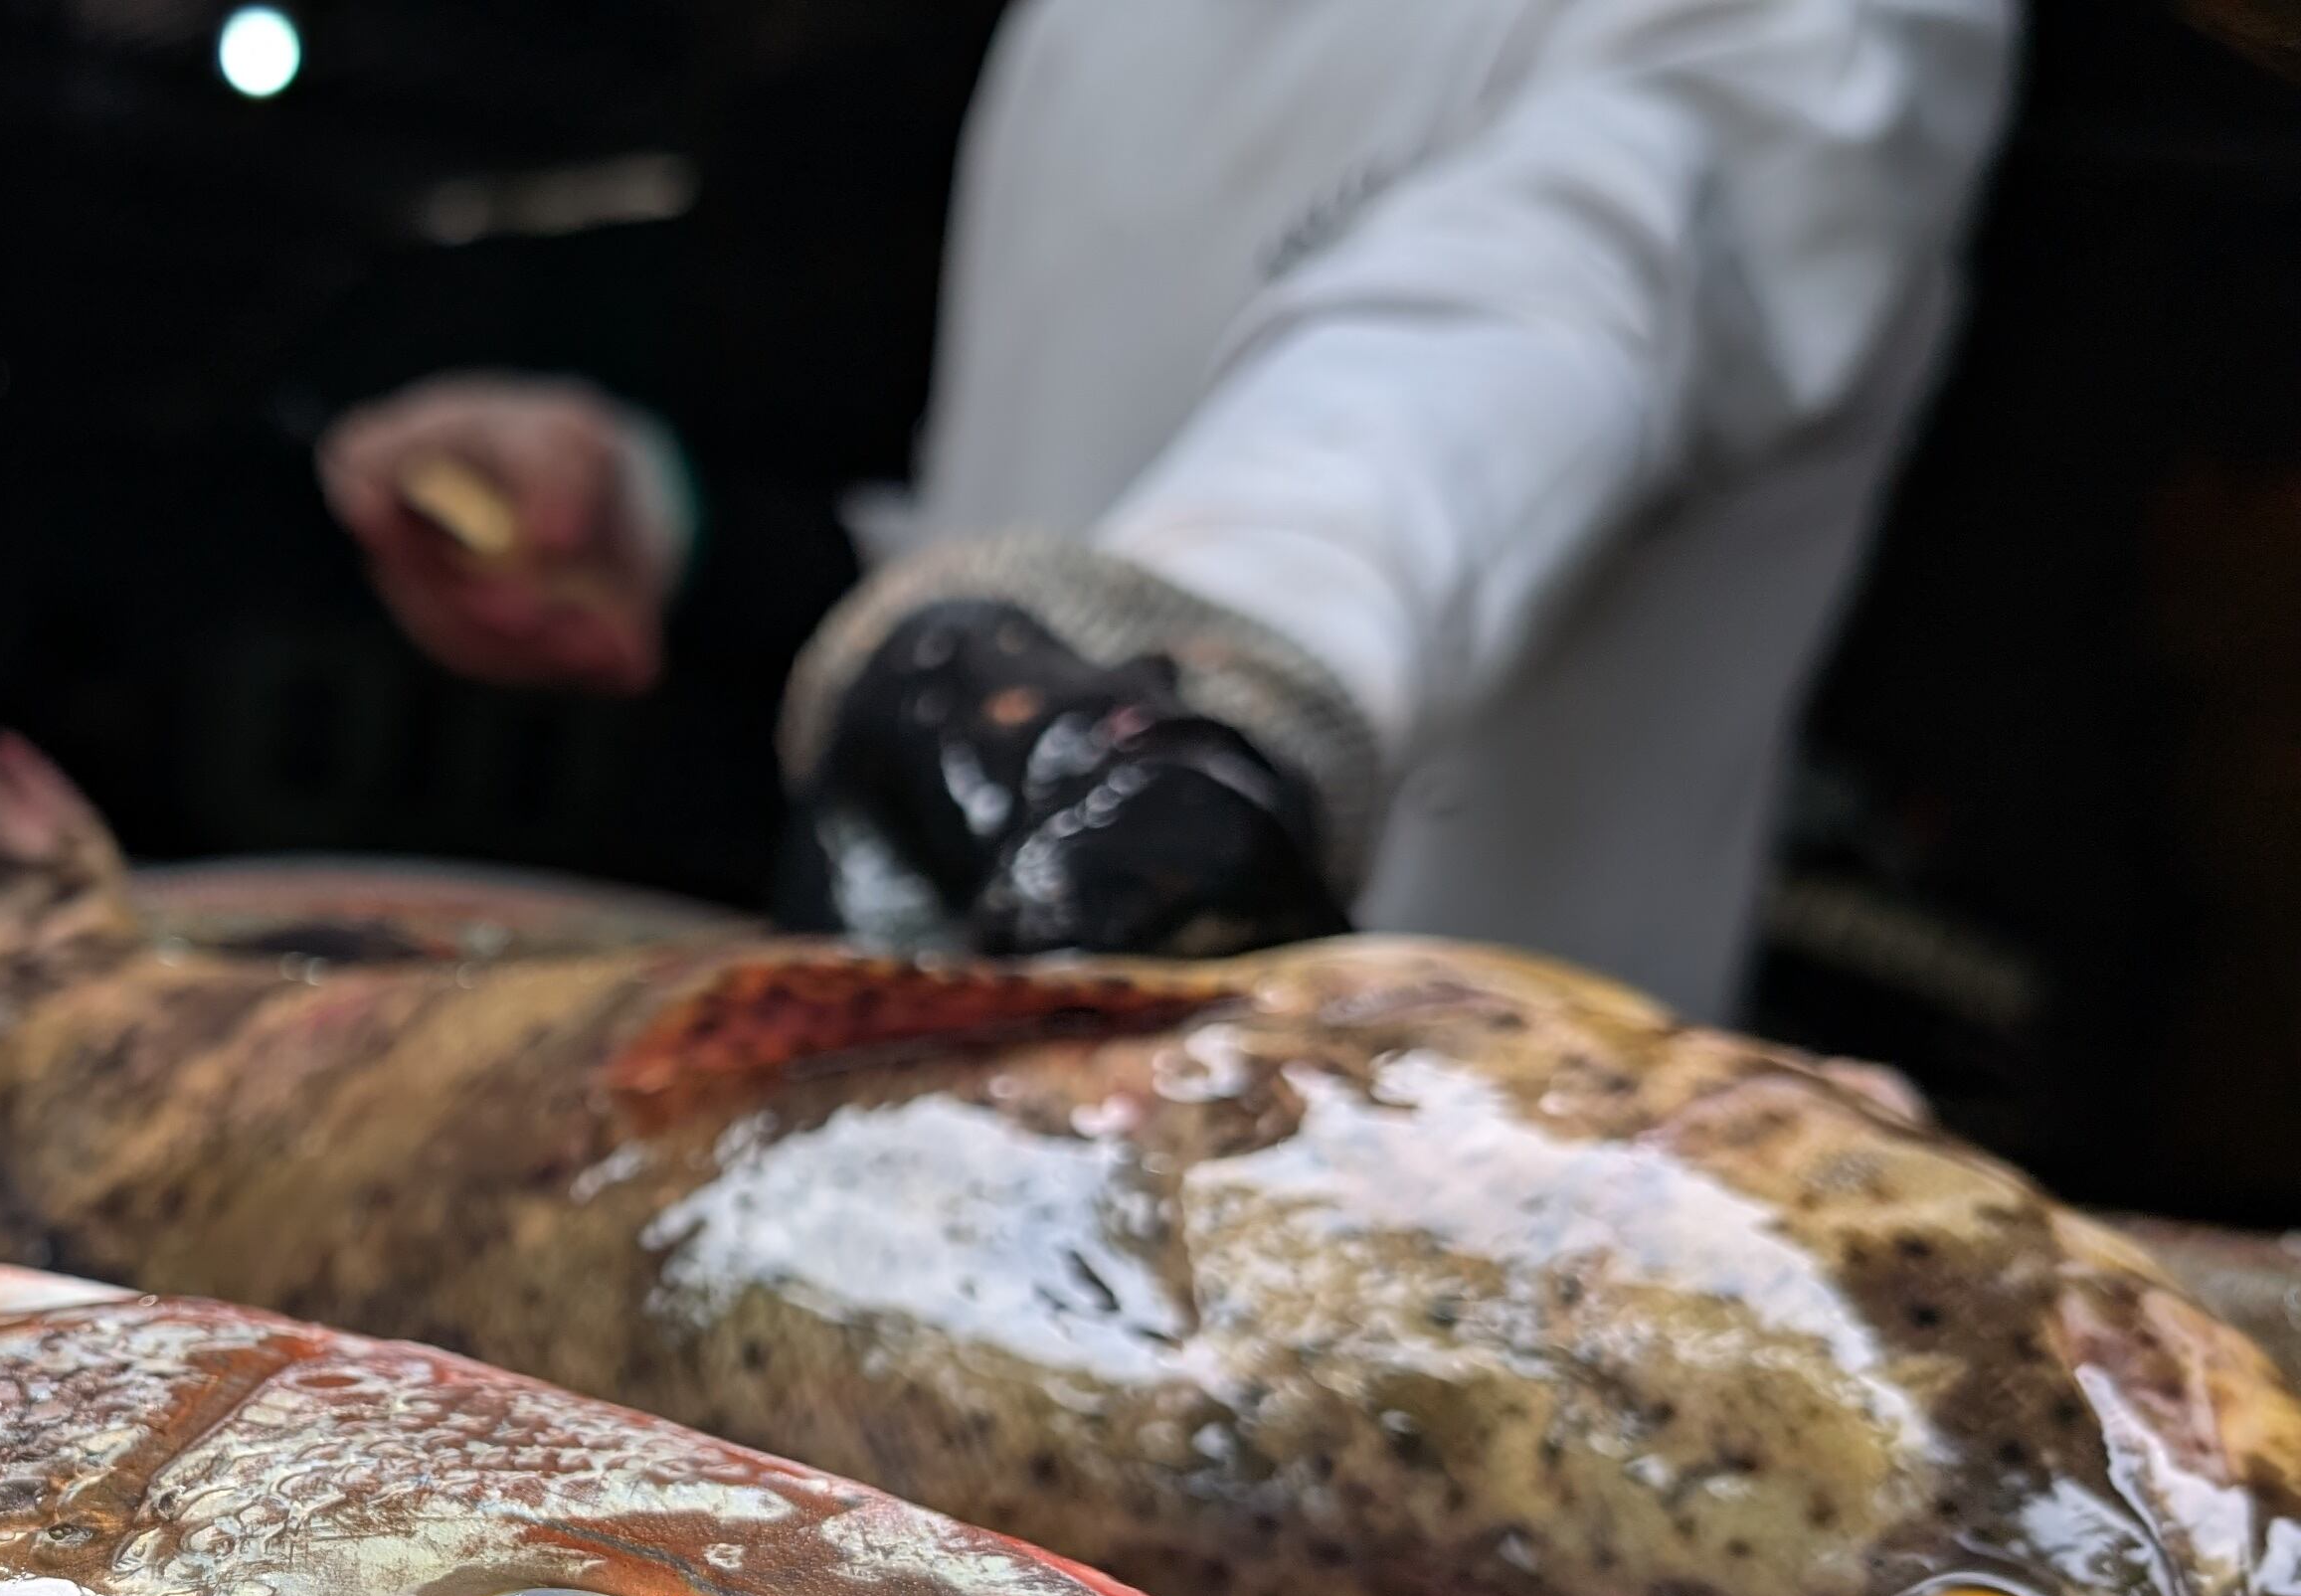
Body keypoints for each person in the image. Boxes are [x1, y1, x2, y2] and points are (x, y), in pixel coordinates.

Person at [320, 0, 2020, 1017]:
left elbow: (1574, 289)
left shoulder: (1818, 35)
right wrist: (679, 536)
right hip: (929, 1122)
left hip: (1437, 1210)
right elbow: (1044, 509)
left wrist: (1225, 656)